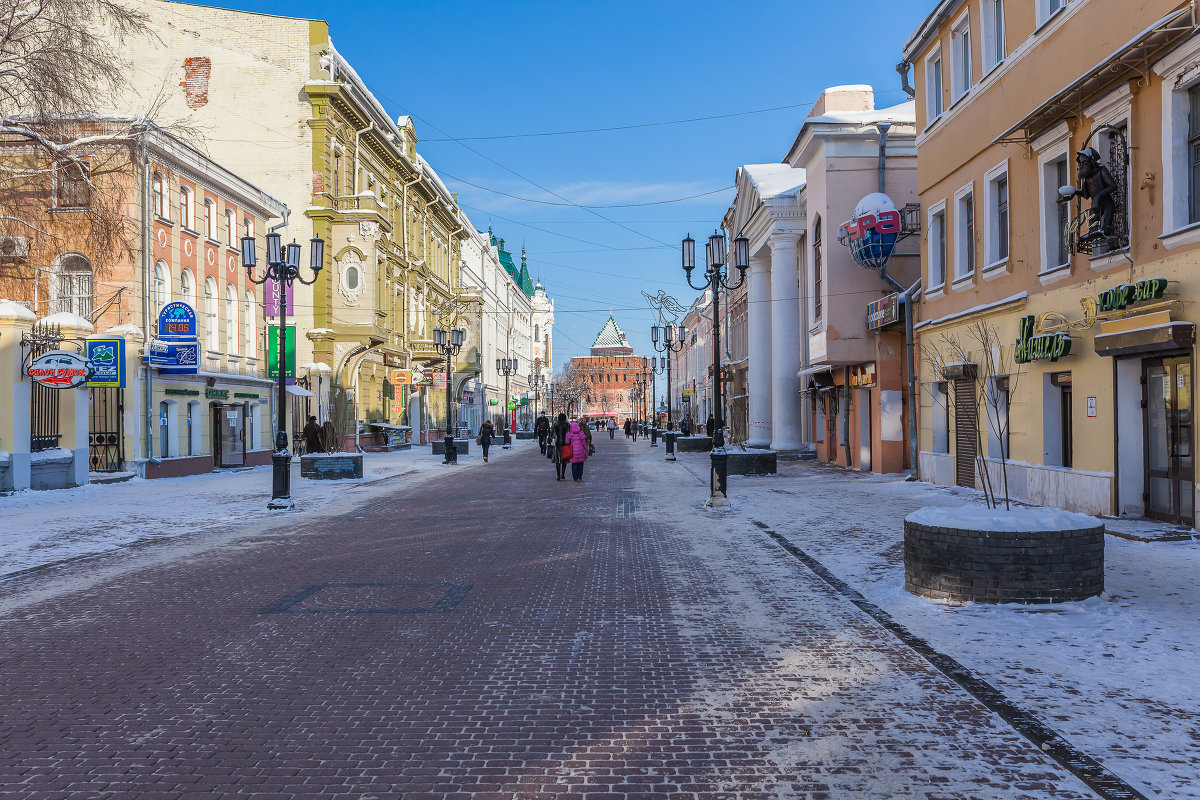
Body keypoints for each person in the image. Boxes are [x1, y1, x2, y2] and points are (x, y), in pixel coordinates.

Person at [551, 413, 570, 481]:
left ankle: (558, 476)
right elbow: (569, 434)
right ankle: (563, 474)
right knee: (564, 459)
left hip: (557, 443)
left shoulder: (555, 424)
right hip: (565, 443)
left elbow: (551, 434)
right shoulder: (567, 424)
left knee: (557, 460)